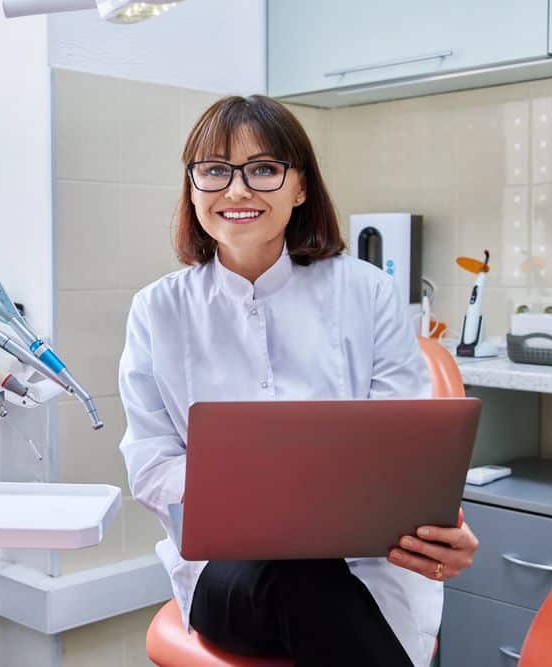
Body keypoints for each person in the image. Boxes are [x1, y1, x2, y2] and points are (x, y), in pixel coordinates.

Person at [118, 94, 479, 667]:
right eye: (214, 171)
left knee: (317, 585)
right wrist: (271, 487)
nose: (237, 191)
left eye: (263, 170)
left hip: (369, 569)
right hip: (228, 579)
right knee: (298, 575)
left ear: (300, 187)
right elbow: (150, 465)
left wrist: (439, 528)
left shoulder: (366, 292)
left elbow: (405, 455)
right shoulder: (157, 310)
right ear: (192, 188)